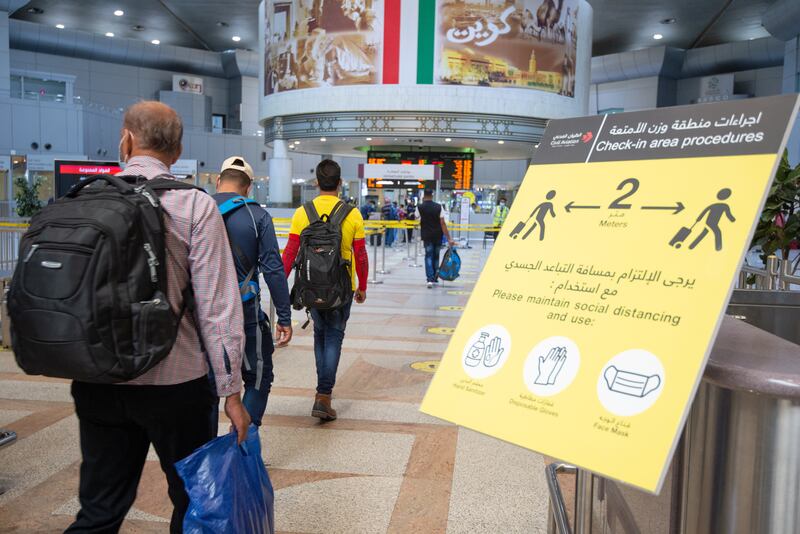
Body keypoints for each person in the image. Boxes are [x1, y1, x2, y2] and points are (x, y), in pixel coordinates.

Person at [68, 101, 250, 534]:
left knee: (98, 509)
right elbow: (217, 307)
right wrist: (233, 392)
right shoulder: (193, 205)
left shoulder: (88, 197)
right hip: (177, 386)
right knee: (192, 505)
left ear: (126, 140)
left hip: (100, 380)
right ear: (178, 149)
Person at [282, 160, 369, 421]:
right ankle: (323, 395)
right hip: (341, 289)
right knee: (334, 337)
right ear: (340, 183)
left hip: (311, 287)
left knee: (320, 335)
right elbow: (361, 255)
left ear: (317, 182)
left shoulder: (302, 213)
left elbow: (289, 253)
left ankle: (323, 392)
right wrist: (362, 286)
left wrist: (278, 284)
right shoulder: (351, 213)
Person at [212, 156, 293, 427]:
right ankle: (241, 446)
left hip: (199, 311)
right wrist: (284, 317)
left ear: (218, 181)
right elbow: (273, 270)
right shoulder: (257, 215)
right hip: (243, 311)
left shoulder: (196, 209)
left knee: (206, 384)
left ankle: (205, 453)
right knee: (258, 376)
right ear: (248, 187)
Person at [416, 190, 455, 289]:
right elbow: (442, 223)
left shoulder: (419, 207)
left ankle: (429, 279)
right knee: (436, 256)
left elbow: (416, 219)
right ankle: (435, 277)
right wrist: (449, 238)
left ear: (424, 196)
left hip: (426, 235)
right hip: (438, 235)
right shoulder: (439, 207)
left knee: (428, 256)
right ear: (432, 195)